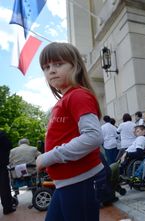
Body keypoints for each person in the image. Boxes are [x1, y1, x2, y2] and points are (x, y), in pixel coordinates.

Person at [36, 42, 105, 221]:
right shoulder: (66, 99)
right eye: (46, 67)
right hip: (66, 182)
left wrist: (48, 157)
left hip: (79, 180)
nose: (51, 70)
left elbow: (93, 137)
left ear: (75, 66)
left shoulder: (78, 95)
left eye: (58, 64)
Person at [0, 130, 16, 215]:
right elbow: (9, 145)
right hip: (1, 164)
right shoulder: (1, 134)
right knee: (4, 187)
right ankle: (7, 208)